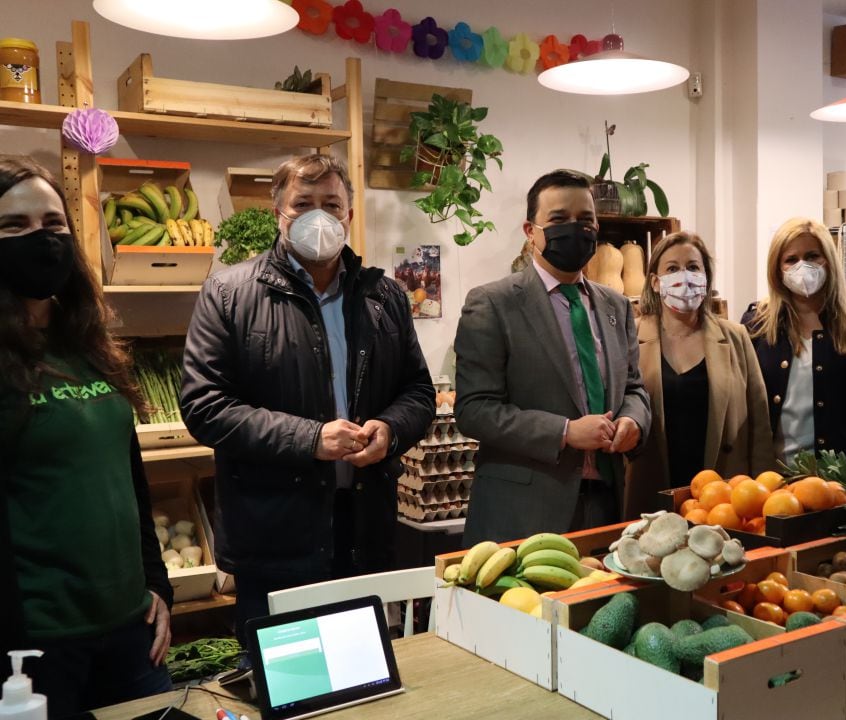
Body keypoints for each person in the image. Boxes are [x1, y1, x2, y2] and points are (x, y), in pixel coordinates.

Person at [180, 154, 434, 637]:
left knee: (367, 678)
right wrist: (310, 439)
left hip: (365, 528)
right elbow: (204, 406)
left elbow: (417, 390)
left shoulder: (385, 297)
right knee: (288, 685)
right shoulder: (229, 293)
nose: (319, 217)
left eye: (332, 204)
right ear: (280, 213)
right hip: (275, 536)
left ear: (349, 216)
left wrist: (392, 428)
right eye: (303, 204)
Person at [0, 156, 172, 716]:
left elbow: (130, 479)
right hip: (37, 643)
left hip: (131, 628)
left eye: (54, 224)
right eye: (14, 227)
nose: (41, 240)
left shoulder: (90, 345)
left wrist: (157, 586)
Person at [454, 169, 651, 543]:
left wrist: (633, 422)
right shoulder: (493, 304)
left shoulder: (617, 306)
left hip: (607, 503)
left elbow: (635, 389)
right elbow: (474, 410)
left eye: (585, 220)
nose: (575, 229)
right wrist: (564, 432)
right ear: (531, 231)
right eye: (559, 219)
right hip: (525, 510)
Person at [624, 231, 773, 518]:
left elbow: (760, 426)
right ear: (655, 282)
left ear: (706, 279)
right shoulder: (630, 336)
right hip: (650, 488)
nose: (684, 277)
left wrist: (762, 498)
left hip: (722, 497)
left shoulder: (735, 337)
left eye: (693, 267)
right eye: (672, 268)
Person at [743, 218, 846, 466]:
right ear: (777, 268)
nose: (803, 267)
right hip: (774, 475)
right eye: (791, 259)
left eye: (813, 256)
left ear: (829, 261)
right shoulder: (757, 323)